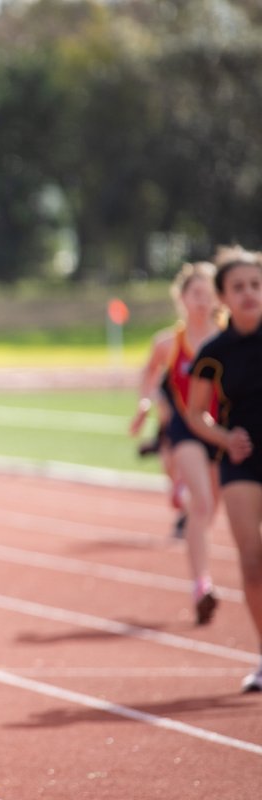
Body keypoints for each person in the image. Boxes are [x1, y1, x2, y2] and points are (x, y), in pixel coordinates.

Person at [185, 246, 262, 692]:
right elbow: (197, 415)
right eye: (239, 287)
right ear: (223, 297)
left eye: (255, 284)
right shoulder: (215, 352)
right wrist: (224, 438)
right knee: (253, 565)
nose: (249, 293)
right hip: (242, 460)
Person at [129, 262, 224, 624]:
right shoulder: (169, 343)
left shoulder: (228, 339)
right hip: (186, 428)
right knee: (201, 505)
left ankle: (182, 490)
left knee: (211, 506)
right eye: (195, 294)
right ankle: (202, 584)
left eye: (209, 294)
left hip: (223, 429)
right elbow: (150, 373)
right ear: (182, 298)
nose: (202, 301)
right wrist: (145, 404)